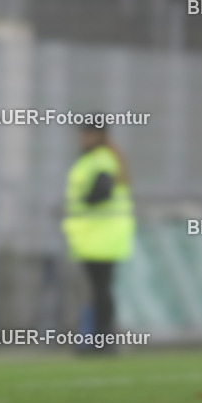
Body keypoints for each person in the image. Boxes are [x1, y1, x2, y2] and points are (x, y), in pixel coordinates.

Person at [62, 123, 135, 350]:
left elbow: (102, 189)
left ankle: (102, 340)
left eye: (88, 133)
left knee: (100, 290)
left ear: (100, 135)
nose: (83, 138)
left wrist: (83, 201)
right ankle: (98, 339)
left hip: (102, 237)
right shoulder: (98, 158)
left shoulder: (101, 159)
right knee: (99, 290)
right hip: (96, 237)